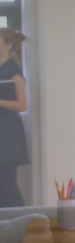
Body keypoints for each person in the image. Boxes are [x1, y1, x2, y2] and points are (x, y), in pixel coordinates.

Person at [0, 29, 29, 207]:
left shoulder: (13, 70)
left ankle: (23, 222)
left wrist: (1, 102)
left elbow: (22, 105)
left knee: (7, 183)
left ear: (8, 45)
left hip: (8, 134)